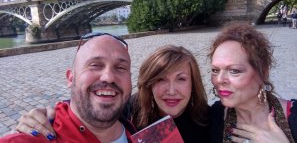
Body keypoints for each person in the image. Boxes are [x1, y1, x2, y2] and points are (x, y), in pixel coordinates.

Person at [12, 45, 211, 142]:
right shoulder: (130, 109)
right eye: (160, 79)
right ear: (148, 84)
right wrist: (45, 114)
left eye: (181, 79)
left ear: (194, 84)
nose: (171, 90)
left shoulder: (210, 120)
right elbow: (90, 105)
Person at [0, 32, 136, 142]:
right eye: (95, 65)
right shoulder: (35, 137)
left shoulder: (136, 129)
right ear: (70, 78)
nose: (108, 77)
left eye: (120, 67)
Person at [209, 23, 297, 143]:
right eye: (215, 70)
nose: (219, 79)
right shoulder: (214, 117)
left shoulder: (296, 116)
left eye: (234, 71)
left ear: (263, 73)